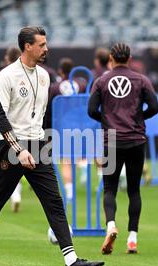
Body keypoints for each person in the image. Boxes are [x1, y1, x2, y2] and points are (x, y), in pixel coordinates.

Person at [0, 26, 104, 266]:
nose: (46, 48)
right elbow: (0, 118)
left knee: (54, 201)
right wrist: (18, 150)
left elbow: (43, 116)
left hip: (38, 146)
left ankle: (71, 261)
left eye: (46, 43)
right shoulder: (5, 76)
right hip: (10, 148)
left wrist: (44, 144)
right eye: (41, 45)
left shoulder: (44, 77)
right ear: (27, 46)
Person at [88, 43, 158, 255]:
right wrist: (138, 118)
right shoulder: (142, 80)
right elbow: (154, 107)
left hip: (111, 140)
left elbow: (91, 110)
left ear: (111, 58)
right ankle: (132, 239)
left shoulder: (101, 81)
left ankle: (110, 226)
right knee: (134, 190)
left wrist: (107, 120)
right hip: (136, 140)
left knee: (109, 188)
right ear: (129, 58)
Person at [47, 57, 86, 201]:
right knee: (78, 156)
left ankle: (69, 191)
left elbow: (48, 109)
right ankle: (82, 171)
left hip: (62, 127)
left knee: (66, 160)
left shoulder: (54, 87)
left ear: (60, 71)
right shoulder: (82, 85)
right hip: (81, 126)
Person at [0, 47, 23, 212]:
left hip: (5, 131)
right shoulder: (37, 75)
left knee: (2, 173)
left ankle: (14, 194)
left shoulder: (0, 76)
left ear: (7, 58)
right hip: (28, 132)